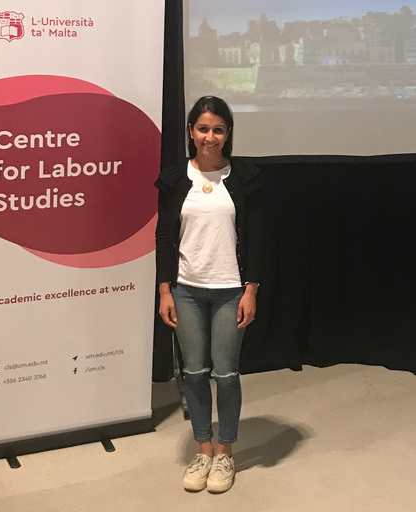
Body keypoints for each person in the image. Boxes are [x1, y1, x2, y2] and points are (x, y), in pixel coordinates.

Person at [154, 96, 264, 493]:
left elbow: (258, 239)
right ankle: (203, 449)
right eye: (203, 128)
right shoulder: (174, 179)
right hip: (185, 291)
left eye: (218, 129)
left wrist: (251, 289)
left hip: (230, 292)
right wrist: (164, 288)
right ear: (190, 132)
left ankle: (225, 454)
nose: (210, 136)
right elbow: (164, 236)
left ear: (228, 133)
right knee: (195, 374)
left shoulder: (245, 179)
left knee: (226, 374)